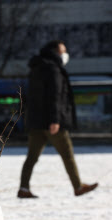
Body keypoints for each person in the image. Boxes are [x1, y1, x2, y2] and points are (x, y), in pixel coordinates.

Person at [18, 40, 98, 198]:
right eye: (63, 51)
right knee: (67, 155)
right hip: (52, 122)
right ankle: (78, 187)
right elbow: (55, 97)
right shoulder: (53, 69)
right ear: (55, 51)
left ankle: (23, 188)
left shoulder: (36, 68)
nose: (65, 54)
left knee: (31, 157)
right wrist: (55, 120)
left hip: (36, 122)